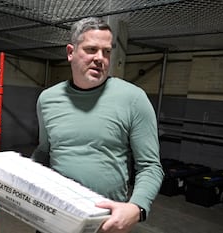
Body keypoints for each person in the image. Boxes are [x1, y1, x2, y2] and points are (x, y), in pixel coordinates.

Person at [31, 17, 164, 233]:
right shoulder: (47, 99)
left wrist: (137, 207)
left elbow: (150, 166)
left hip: (105, 222)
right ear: (70, 52)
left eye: (107, 51)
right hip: (54, 217)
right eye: (91, 49)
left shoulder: (133, 99)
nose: (100, 58)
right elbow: (44, 151)